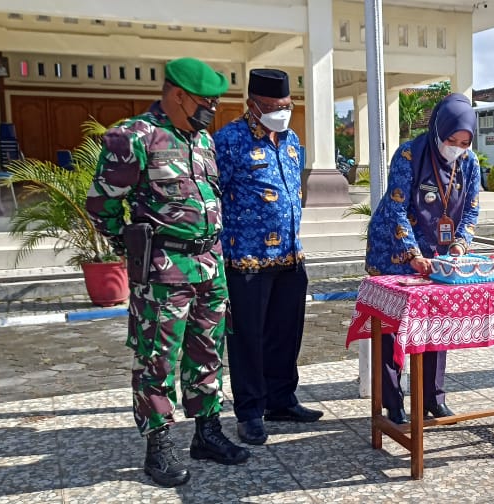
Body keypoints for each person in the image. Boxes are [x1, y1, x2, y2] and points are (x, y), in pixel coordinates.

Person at [86, 57, 250, 487]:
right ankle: (158, 445)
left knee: (208, 352)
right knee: (156, 360)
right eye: (206, 101)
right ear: (178, 94)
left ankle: (207, 432)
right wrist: (135, 249)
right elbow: (102, 205)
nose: (212, 110)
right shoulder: (134, 137)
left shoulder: (202, 140)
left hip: (209, 267)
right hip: (163, 271)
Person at [214, 69, 323, 447]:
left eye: (286, 105)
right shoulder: (228, 141)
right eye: (273, 107)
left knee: (285, 335)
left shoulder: (293, 141)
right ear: (252, 105)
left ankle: (281, 400)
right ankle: (249, 412)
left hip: (291, 258)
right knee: (247, 340)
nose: (281, 112)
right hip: (247, 261)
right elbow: (214, 197)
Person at [365, 93, 480, 424]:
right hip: (394, 251)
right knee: (391, 329)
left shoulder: (469, 163)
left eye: (463, 141)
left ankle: (432, 396)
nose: (456, 147)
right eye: (450, 140)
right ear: (438, 131)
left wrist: (460, 245)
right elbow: (397, 209)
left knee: (436, 325)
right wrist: (413, 254)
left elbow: (471, 209)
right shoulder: (410, 154)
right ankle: (393, 401)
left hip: (439, 254)